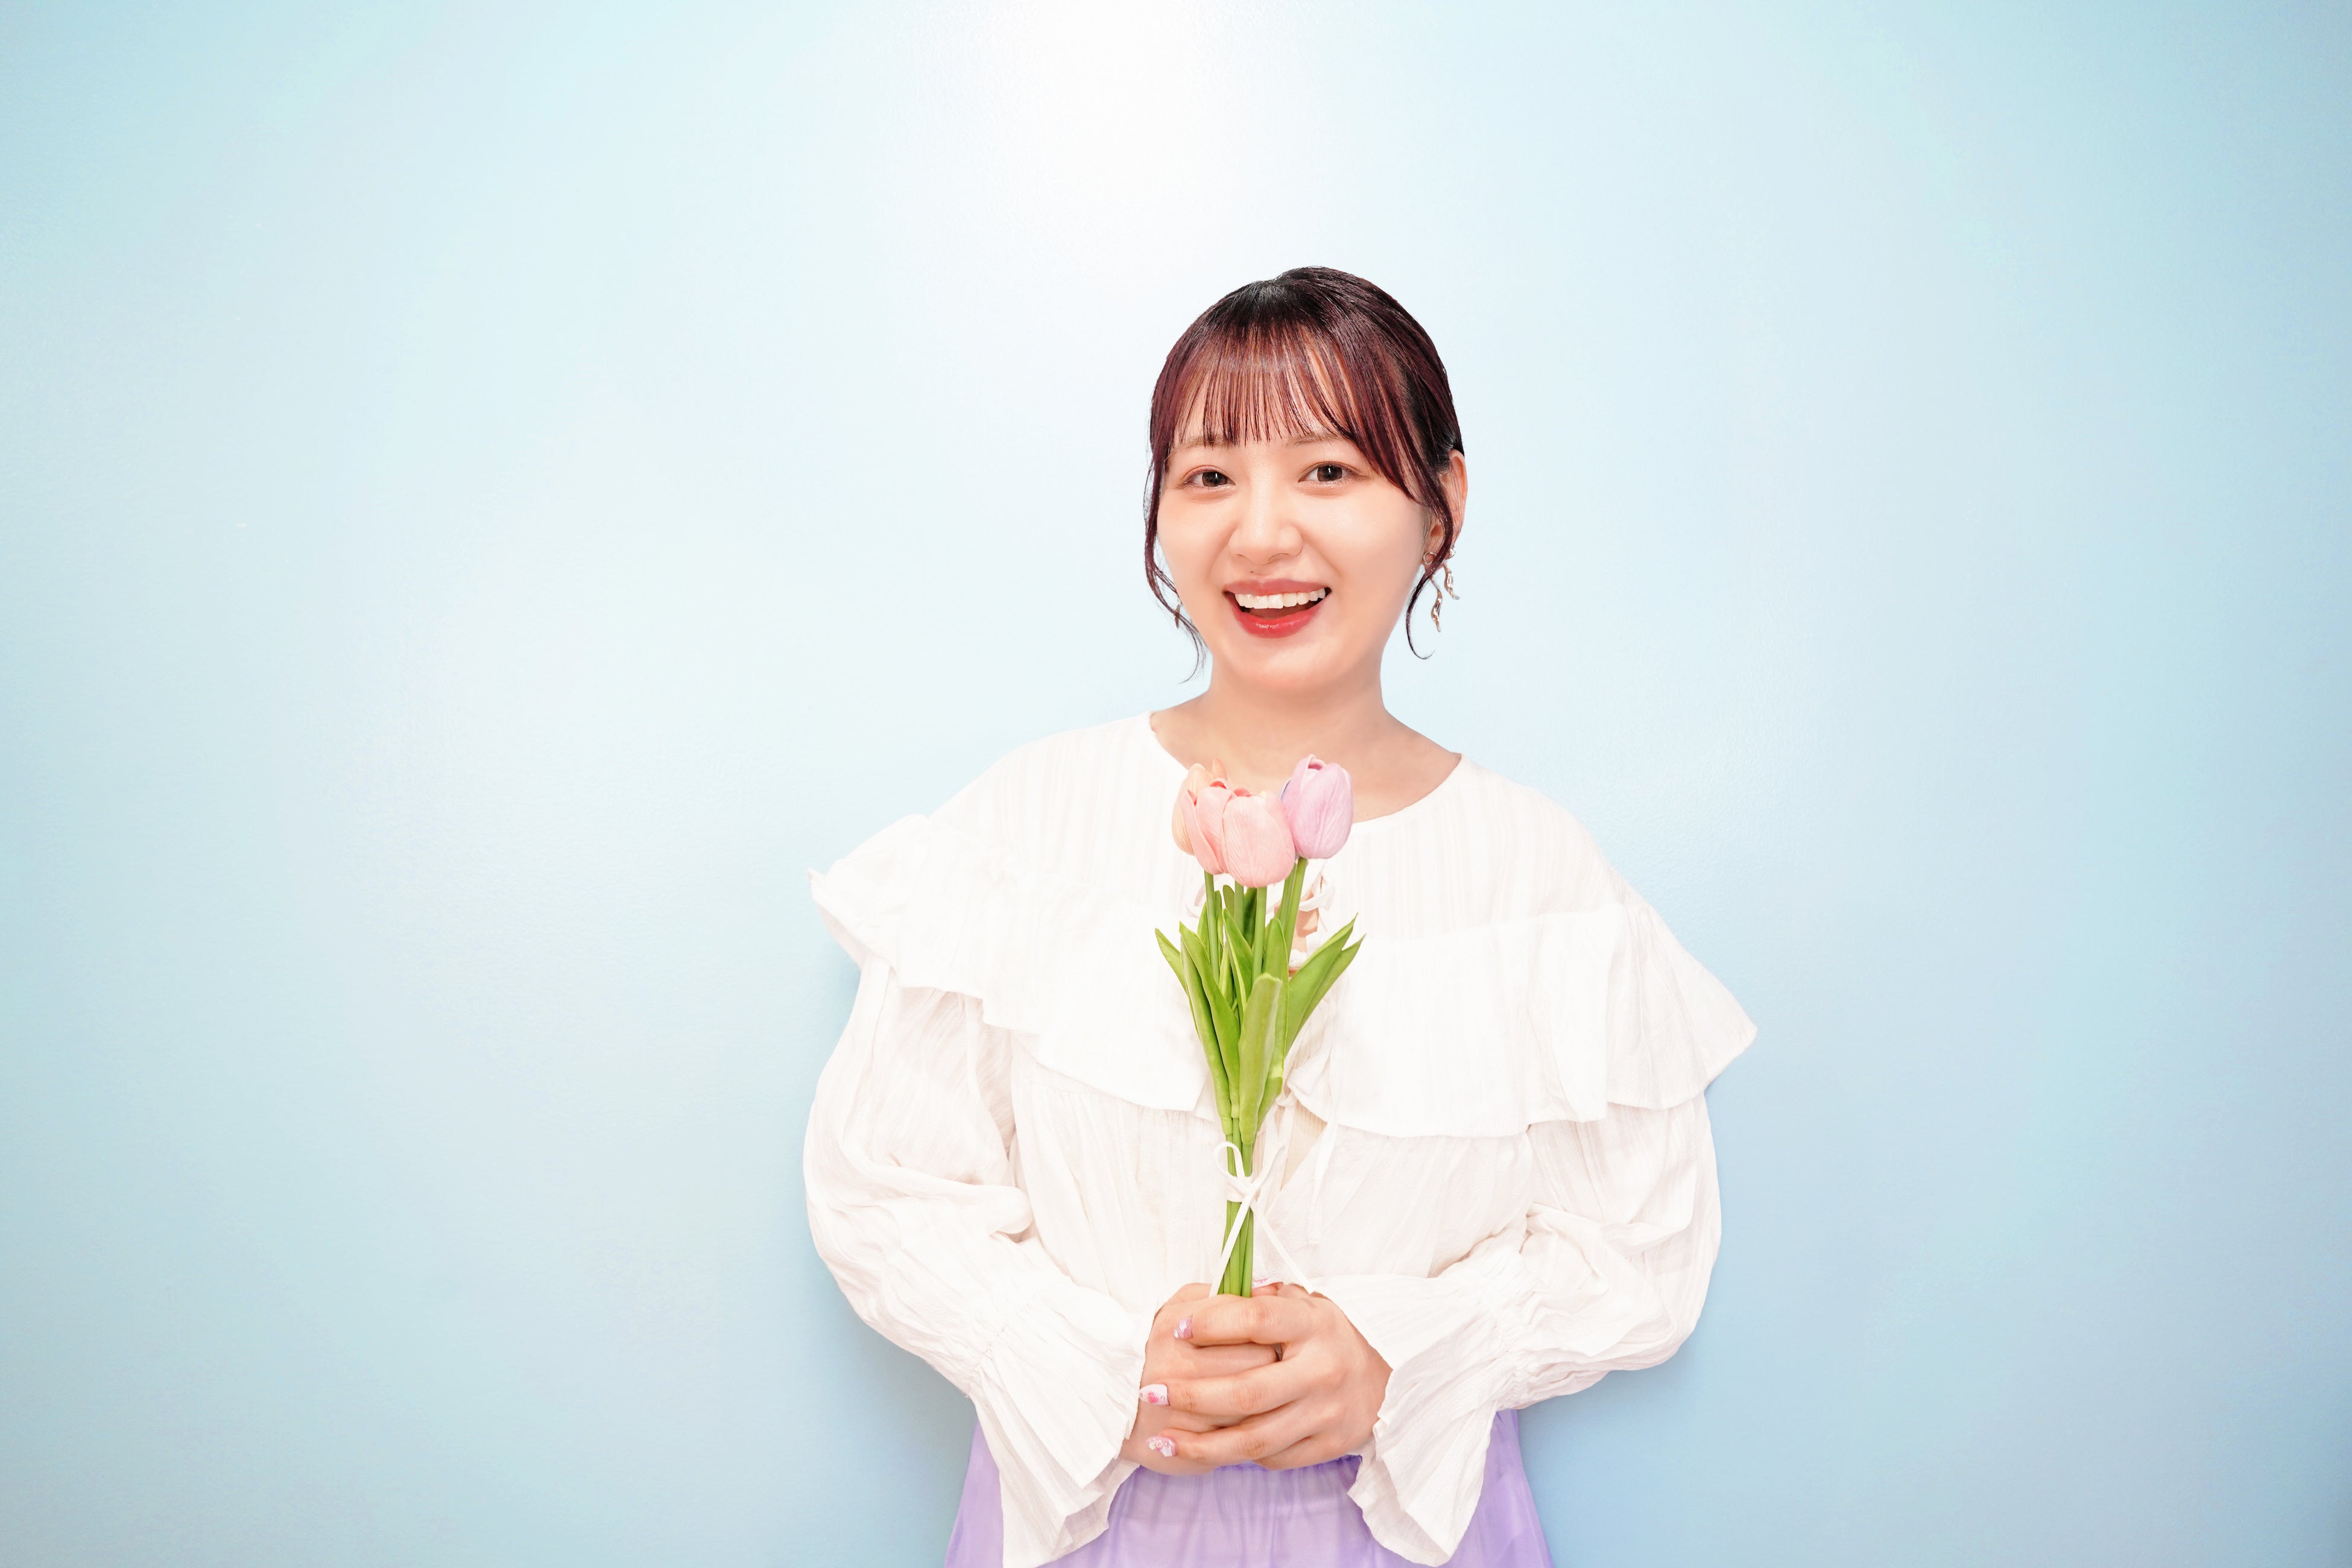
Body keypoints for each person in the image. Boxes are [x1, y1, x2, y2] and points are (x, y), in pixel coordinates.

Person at [804, 267, 1755, 1567]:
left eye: (1327, 471)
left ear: (1441, 505)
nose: (1260, 535)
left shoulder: (1540, 876)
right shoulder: (1028, 824)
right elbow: (886, 1186)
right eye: (1209, 476)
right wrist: (1091, 1372)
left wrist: (1399, 1362)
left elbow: (1635, 1250)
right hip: (1086, 1525)